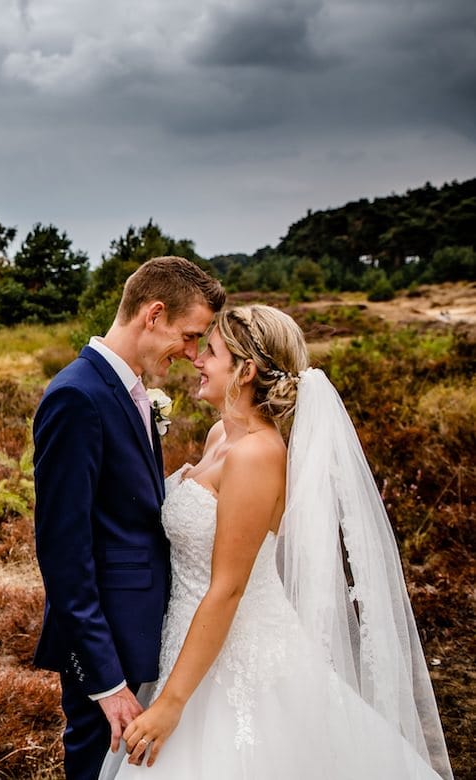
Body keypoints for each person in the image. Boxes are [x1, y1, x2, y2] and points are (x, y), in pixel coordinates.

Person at [107, 304, 452, 779]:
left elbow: (228, 588)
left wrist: (171, 703)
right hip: (186, 640)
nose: (197, 360)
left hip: (238, 654)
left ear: (245, 371)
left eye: (210, 352)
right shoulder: (218, 438)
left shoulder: (257, 456)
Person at [32, 256, 226, 779]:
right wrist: (106, 682)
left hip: (146, 631)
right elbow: (62, 552)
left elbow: (124, 513)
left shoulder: (129, 389)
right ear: (154, 314)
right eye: (189, 336)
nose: (191, 354)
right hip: (107, 649)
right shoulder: (78, 396)